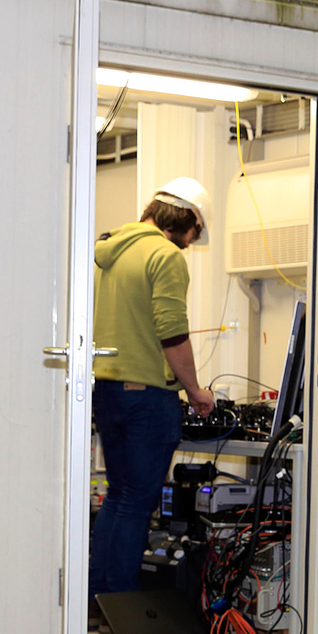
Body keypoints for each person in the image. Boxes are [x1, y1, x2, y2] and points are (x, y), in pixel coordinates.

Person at [89, 178, 218, 599]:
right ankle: (122, 604)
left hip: (108, 391)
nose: (190, 243)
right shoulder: (164, 256)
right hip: (147, 394)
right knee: (137, 502)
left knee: (118, 497)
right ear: (186, 219)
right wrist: (196, 390)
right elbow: (172, 333)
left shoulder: (112, 252)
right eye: (195, 234)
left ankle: (98, 601)